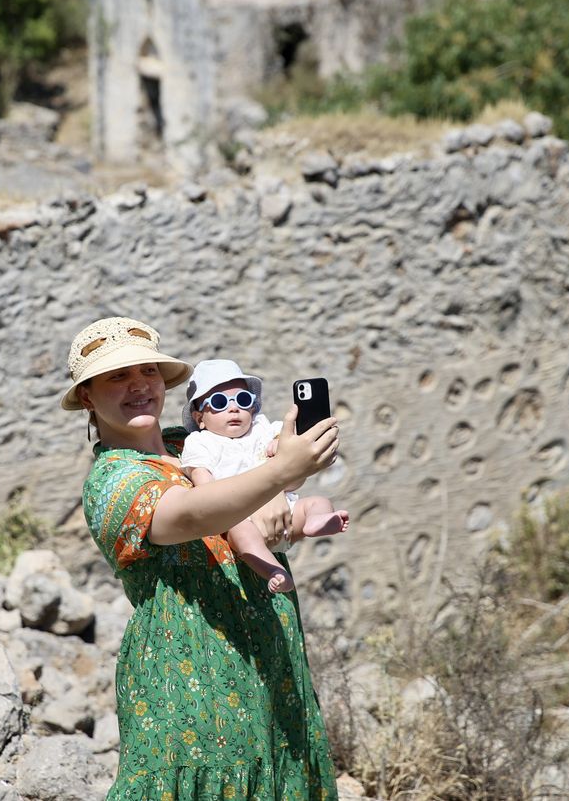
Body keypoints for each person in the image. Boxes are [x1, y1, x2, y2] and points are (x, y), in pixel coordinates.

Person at [62, 316, 340, 801]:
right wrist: (276, 475)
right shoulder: (111, 480)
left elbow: (259, 502)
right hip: (188, 688)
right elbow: (192, 514)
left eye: (148, 371)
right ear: (87, 395)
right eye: (117, 376)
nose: (138, 386)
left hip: (270, 668)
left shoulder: (195, 444)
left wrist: (287, 486)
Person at [179, 359, 349, 593]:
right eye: (219, 403)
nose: (233, 408)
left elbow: (292, 443)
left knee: (317, 502)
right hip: (242, 518)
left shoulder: (262, 427)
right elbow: (205, 489)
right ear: (200, 418)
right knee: (240, 532)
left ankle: (315, 521)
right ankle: (273, 570)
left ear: (253, 407)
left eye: (242, 400)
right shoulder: (201, 442)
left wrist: (280, 443)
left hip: (287, 515)